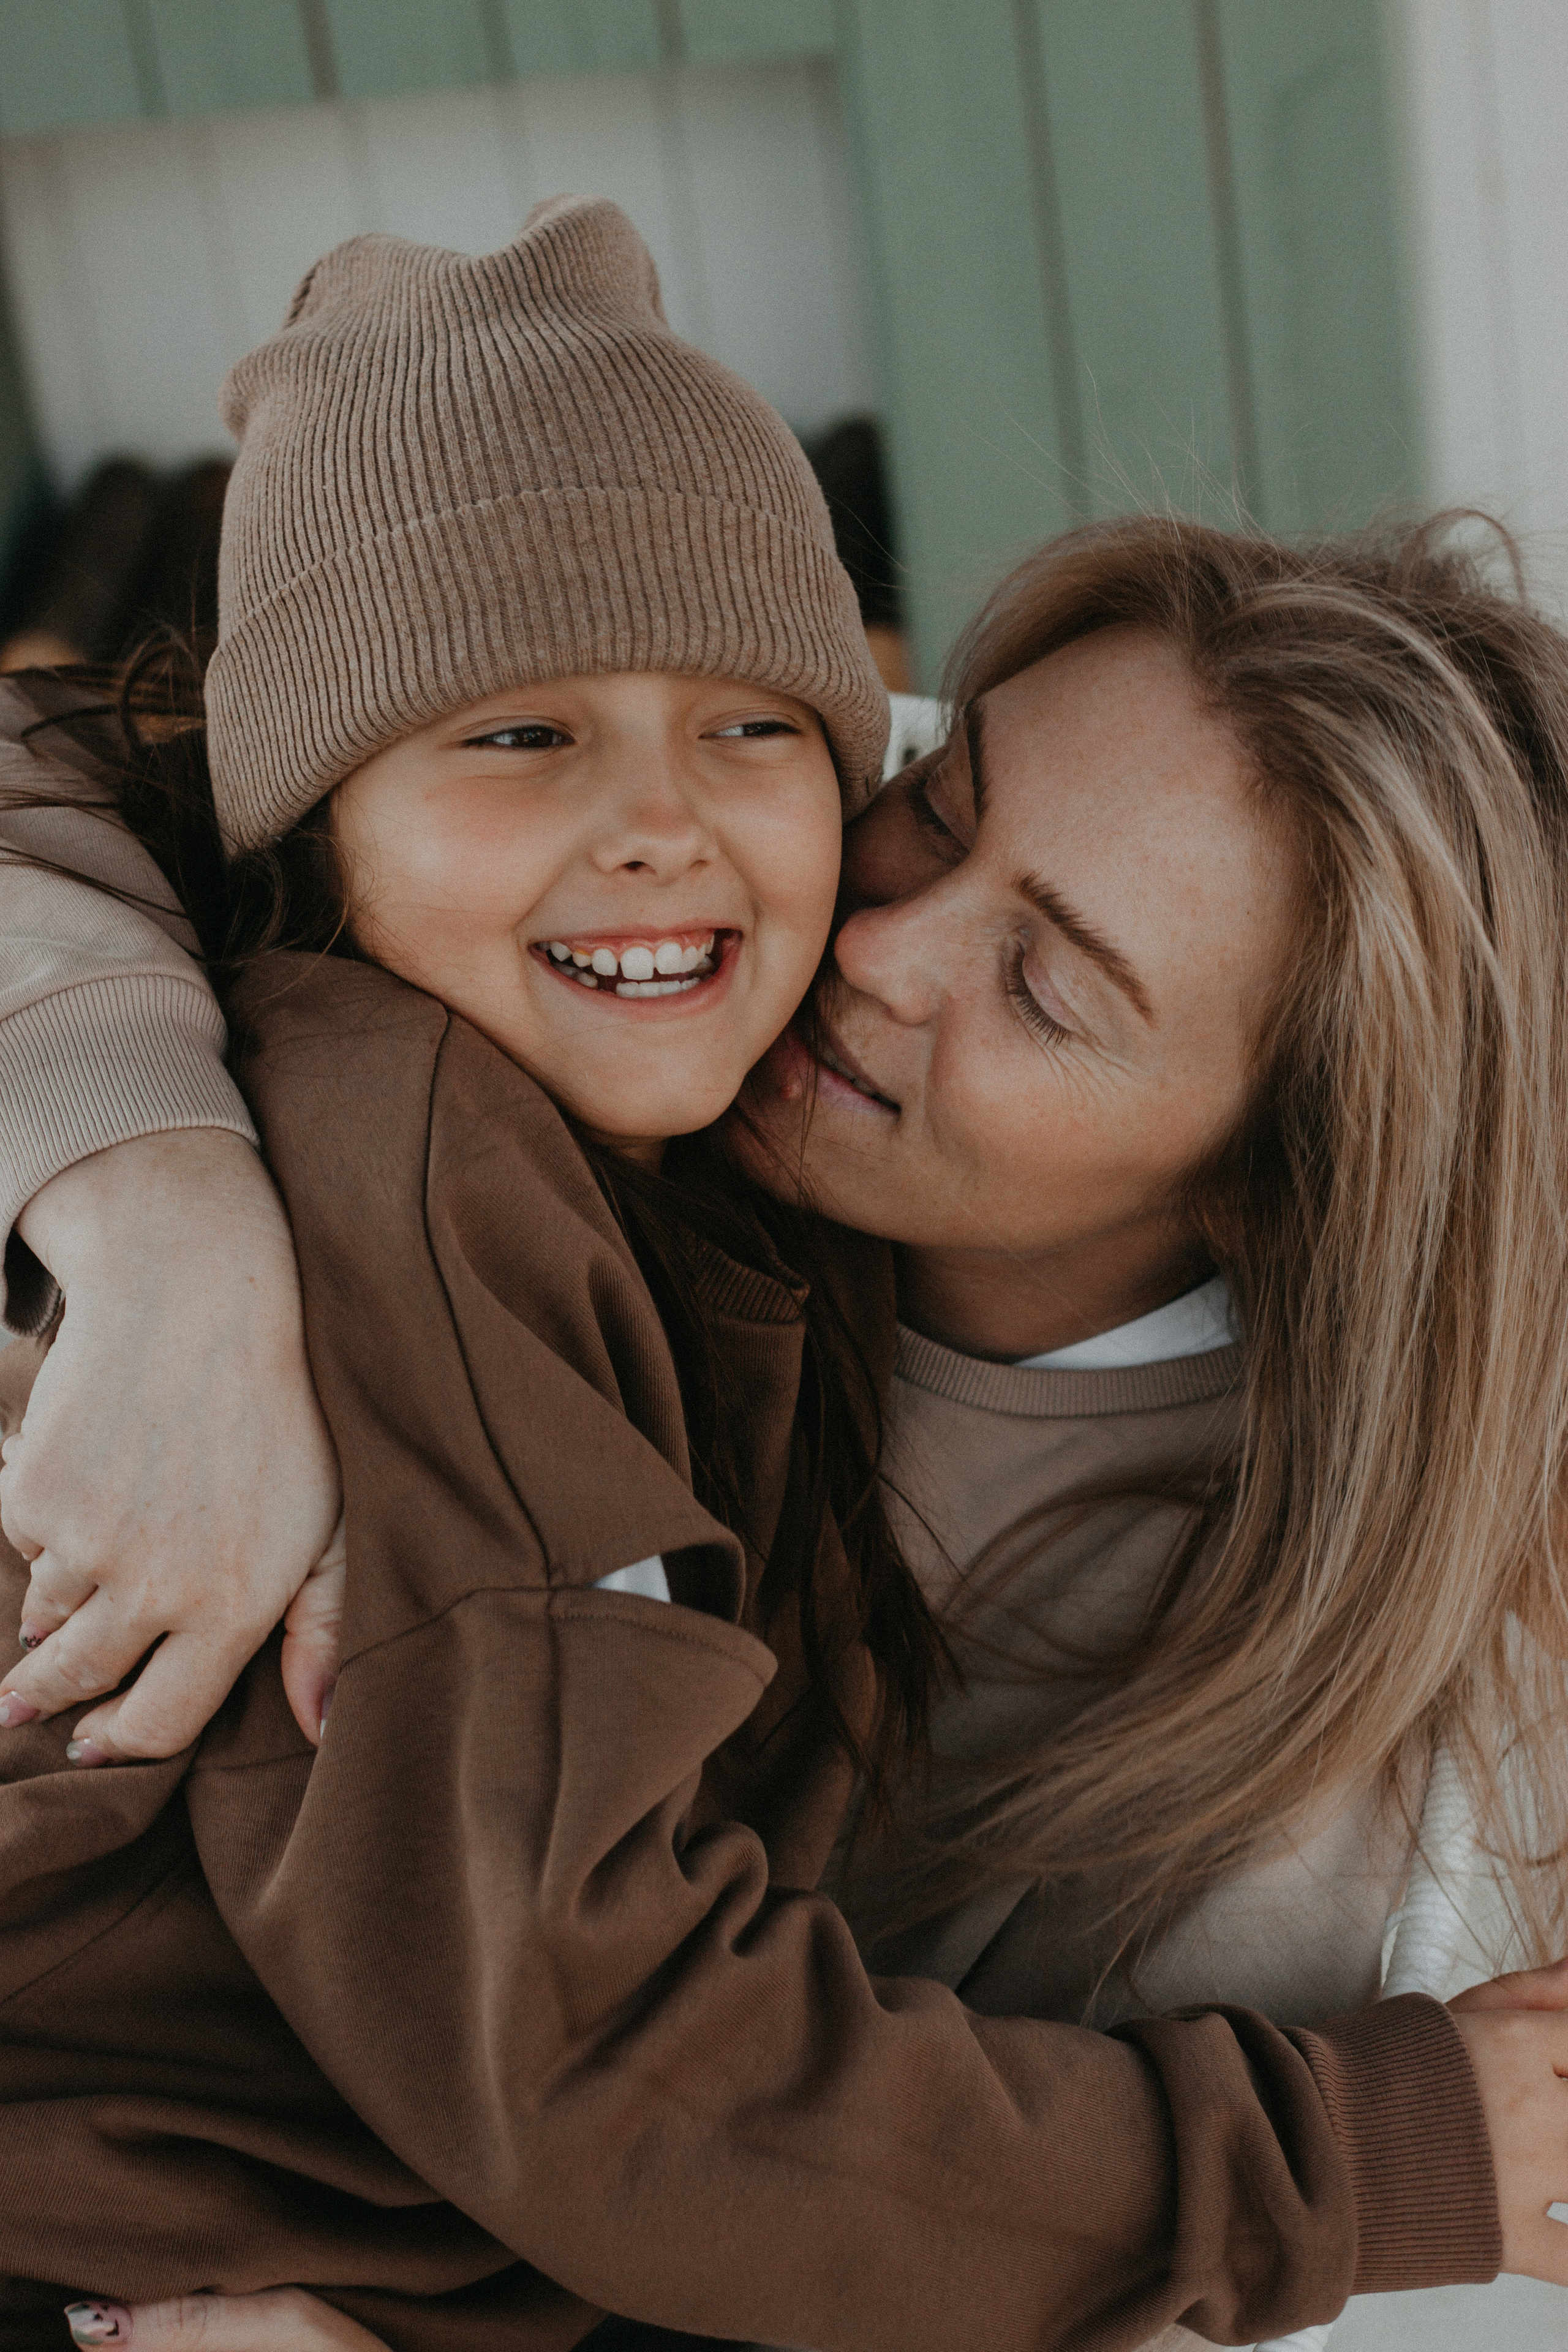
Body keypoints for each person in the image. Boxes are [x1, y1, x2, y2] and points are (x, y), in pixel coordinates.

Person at [0, 210, 1563, 2346]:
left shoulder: (1260, 1739)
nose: (880, 945)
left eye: (1045, 983)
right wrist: (148, 1189)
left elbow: (752, 2149)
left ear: (1274, 1188)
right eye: (938, 803)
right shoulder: (587, 1076)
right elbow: (106, 763)